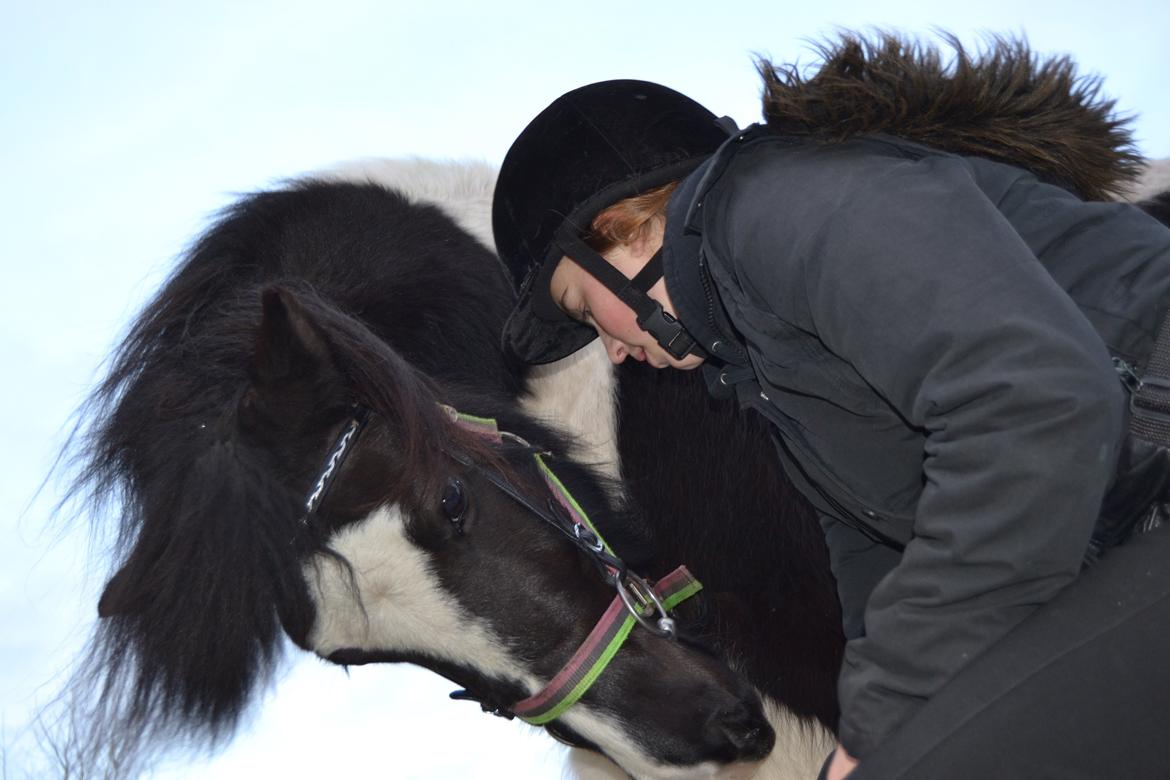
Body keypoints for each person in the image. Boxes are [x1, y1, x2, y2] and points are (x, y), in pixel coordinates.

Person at [490, 38, 1170, 780]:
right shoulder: (765, 358)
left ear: (629, 231)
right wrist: (862, 735)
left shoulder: (779, 202)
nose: (613, 351)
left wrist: (889, 721)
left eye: (586, 311)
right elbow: (876, 560)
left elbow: (1039, 406)